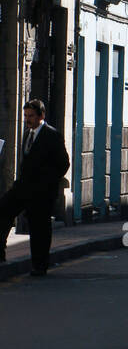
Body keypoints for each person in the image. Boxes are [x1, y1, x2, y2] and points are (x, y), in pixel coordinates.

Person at [0, 99, 70, 276]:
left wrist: (47, 183)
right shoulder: (27, 134)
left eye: (31, 116)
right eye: (25, 115)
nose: (27, 119)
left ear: (41, 116)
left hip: (41, 192)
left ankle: (40, 265)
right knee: (3, 210)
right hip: (23, 187)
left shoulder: (52, 135)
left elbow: (63, 164)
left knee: (39, 228)